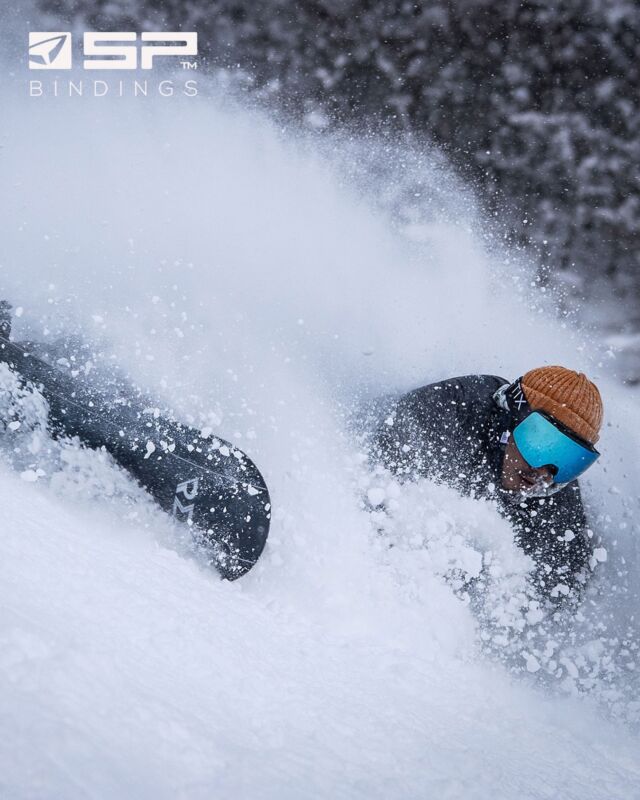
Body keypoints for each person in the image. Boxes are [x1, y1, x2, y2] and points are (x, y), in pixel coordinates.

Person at [372, 367, 603, 602]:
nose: (544, 473)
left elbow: (561, 595)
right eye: (542, 444)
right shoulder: (444, 415)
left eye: (568, 460)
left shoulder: (555, 499)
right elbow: (374, 500)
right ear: (512, 417)